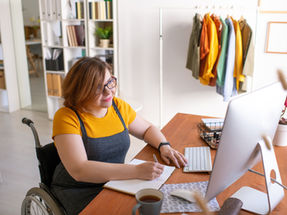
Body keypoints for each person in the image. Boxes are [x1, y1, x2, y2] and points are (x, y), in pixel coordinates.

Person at [50, 57, 187, 215]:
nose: (108, 91)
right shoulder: (66, 117)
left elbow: (147, 128)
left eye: (110, 82)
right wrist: (135, 171)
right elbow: (80, 170)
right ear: (81, 90)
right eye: (97, 88)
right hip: (78, 189)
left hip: (114, 181)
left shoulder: (118, 106)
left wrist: (164, 146)